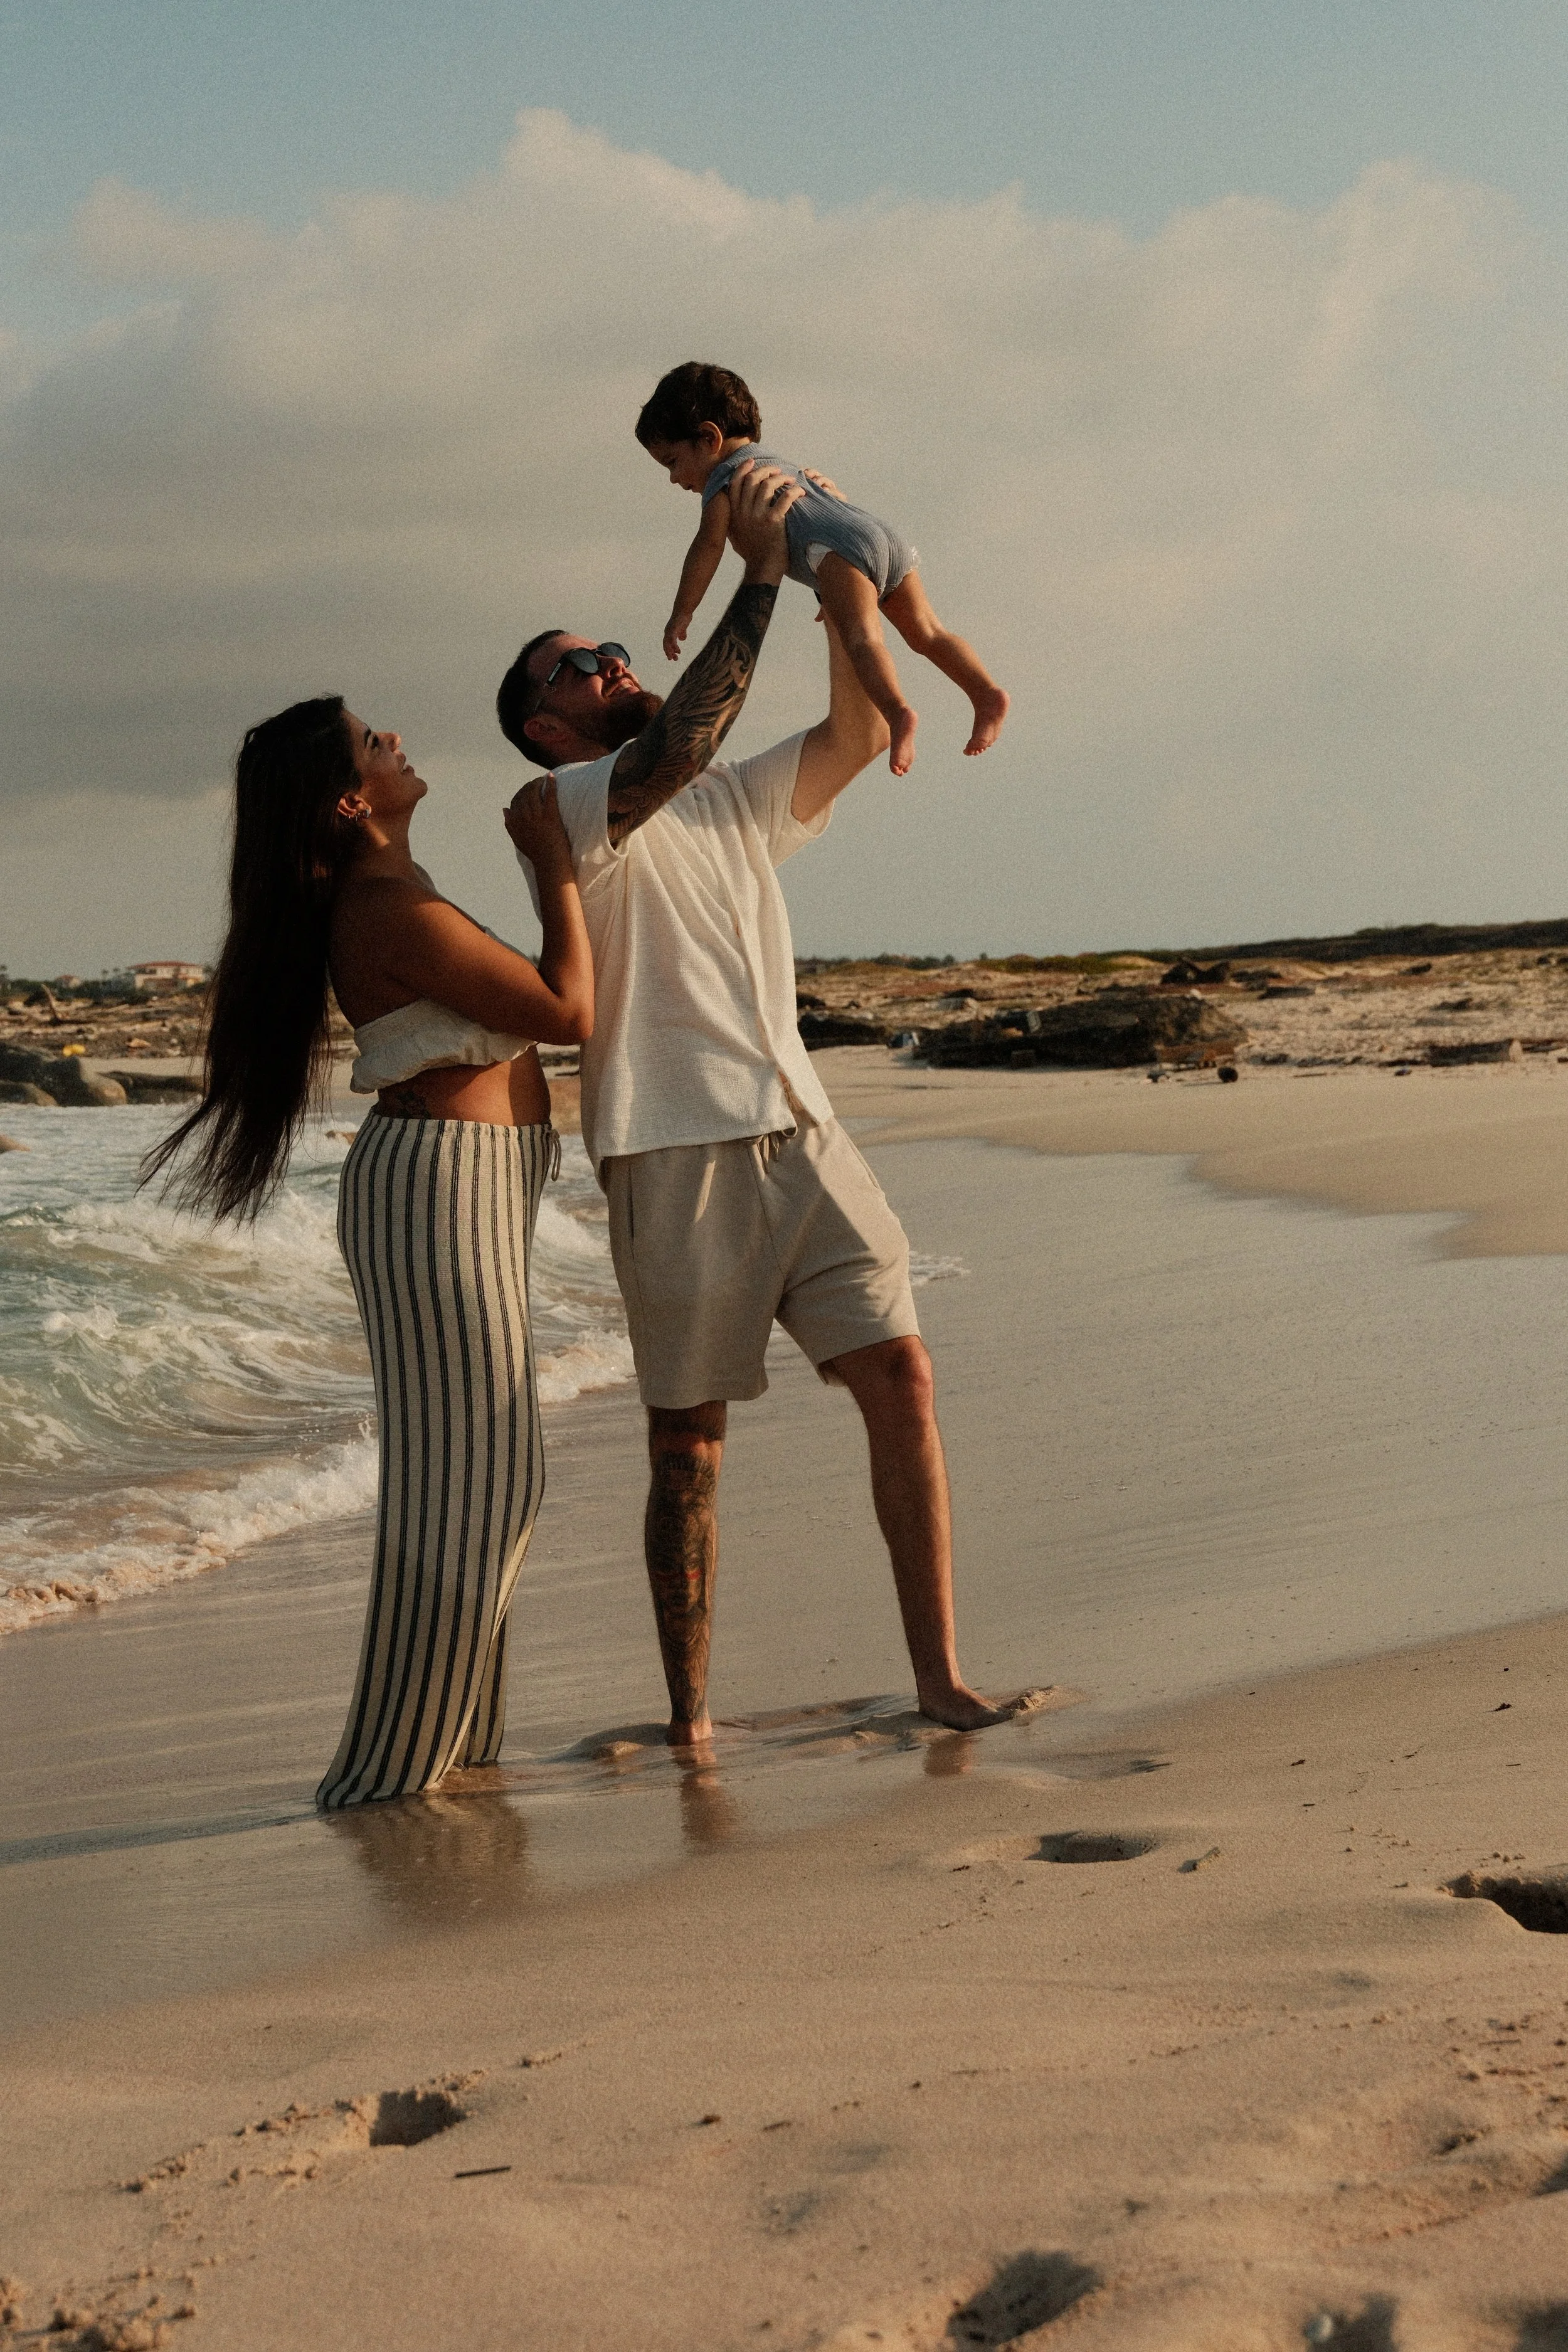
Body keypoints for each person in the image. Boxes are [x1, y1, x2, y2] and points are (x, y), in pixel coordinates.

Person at [495, 457, 1022, 1743]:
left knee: (901, 1373)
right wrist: (753, 574)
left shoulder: (731, 802)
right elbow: (682, 738)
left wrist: (835, 565)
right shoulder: (554, 807)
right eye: (583, 667)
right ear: (540, 723)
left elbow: (847, 736)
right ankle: (689, 1719)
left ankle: (941, 1676)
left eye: (617, 650)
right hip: (669, 1155)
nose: (614, 665)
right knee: (688, 1445)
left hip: (802, 1126)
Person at [142, 694, 593, 1806]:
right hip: (440, 1187)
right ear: (352, 799)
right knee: (483, 1482)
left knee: (474, 1479)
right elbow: (568, 1008)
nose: (394, 738)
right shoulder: (387, 903)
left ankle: (455, 1753)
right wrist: (553, 864)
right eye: (369, 741)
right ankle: (386, 1777)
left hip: (457, 1184)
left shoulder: (389, 892)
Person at [636, 359, 1009, 778]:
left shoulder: (727, 480)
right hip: (875, 530)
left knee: (864, 639)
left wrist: (682, 612)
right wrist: (827, 589)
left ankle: (898, 713)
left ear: (709, 438)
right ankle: (986, 693)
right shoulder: (782, 464)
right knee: (928, 632)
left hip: (835, 551)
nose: (673, 479)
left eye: (672, 462)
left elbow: (707, 547)